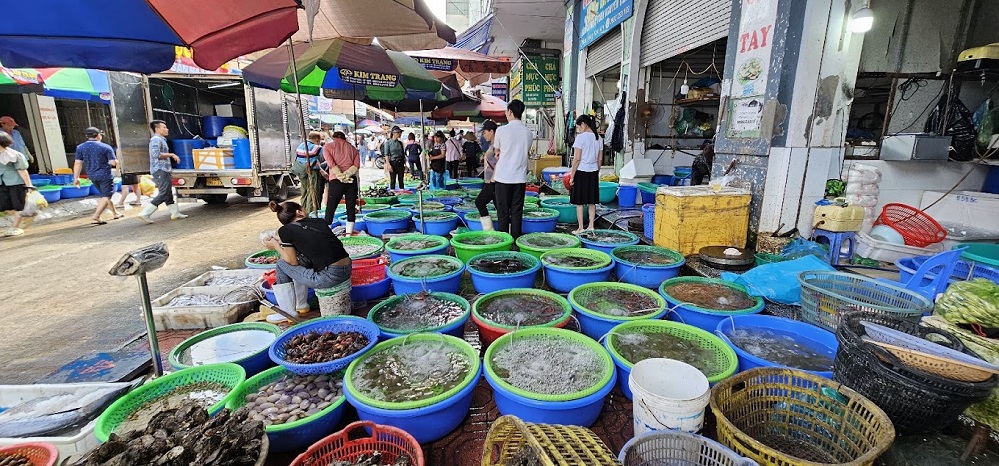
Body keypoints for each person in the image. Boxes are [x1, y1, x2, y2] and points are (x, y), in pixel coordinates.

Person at [264, 200, 351, 316]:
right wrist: (281, 243)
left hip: (329, 277)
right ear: (299, 212)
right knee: (302, 259)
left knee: (281, 264)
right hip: (347, 268)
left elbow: (292, 262)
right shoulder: (319, 222)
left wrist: (275, 244)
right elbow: (315, 244)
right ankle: (301, 305)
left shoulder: (285, 230)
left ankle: (287, 312)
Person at [491, 99, 533, 239]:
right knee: (516, 211)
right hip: (519, 178)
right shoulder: (528, 132)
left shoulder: (501, 130)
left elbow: (497, 151)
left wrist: (500, 153)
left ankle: (504, 240)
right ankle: (515, 240)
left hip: (503, 177)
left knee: (502, 212)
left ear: (509, 112)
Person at [138, 120, 188, 223]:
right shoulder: (156, 140)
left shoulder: (162, 139)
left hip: (164, 169)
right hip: (160, 169)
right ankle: (145, 212)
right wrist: (171, 154)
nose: (167, 129)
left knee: (168, 192)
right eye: (164, 127)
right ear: (157, 129)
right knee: (164, 192)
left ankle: (175, 213)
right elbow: (155, 154)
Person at [73, 127, 122, 224]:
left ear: (87, 136)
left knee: (105, 195)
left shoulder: (80, 147)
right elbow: (112, 163)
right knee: (106, 196)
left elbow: (78, 163)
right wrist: (117, 161)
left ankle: (115, 213)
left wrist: (76, 178)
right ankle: (97, 216)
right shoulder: (106, 147)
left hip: (92, 175)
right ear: (98, 135)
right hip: (105, 175)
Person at [568, 115, 602, 234]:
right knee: (592, 201)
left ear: (583, 124)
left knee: (580, 202)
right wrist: (596, 170)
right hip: (593, 172)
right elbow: (600, 159)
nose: (578, 130)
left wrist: (572, 175)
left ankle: (581, 227)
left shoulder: (581, 138)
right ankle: (591, 225)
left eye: (578, 127)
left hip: (581, 172)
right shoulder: (598, 138)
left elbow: (577, 159)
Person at [322, 131, 361, 234]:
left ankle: (327, 234)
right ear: (345, 138)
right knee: (351, 207)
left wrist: (340, 175)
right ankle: (349, 234)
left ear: (334, 137)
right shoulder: (353, 149)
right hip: (351, 181)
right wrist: (347, 175)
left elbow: (331, 163)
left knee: (331, 207)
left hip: (336, 181)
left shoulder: (327, 147)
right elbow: (356, 165)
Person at [0, 131, 34, 237]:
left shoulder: (15, 155)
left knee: (18, 206)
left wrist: (29, 185)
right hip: (1, 183)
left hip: (16, 183)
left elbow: (23, 171)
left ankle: (15, 227)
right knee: (4, 206)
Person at [474, 120, 499, 231]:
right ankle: (504, 232)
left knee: (479, 202)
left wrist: (493, 178)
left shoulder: (497, 146)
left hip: (493, 182)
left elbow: (500, 162)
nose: (483, 135)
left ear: (492, 131)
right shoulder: (492, 145)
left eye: (484, 132)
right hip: (490, 181)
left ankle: (489, 230)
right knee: (500, 207)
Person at [294, 131, 327, 210]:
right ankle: (311, 213)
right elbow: (323, 158)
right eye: (319, 140)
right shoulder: (317, 147)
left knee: (304, 192)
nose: (319, 142)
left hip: (301, 172)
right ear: (316, 139)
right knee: (312, 193)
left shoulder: (300, 146)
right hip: (312, 172)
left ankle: (303, 210)